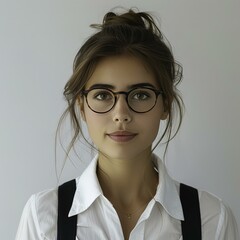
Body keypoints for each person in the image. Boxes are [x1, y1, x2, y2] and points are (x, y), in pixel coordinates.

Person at [15, 8, 239, 240]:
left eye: (140, 95)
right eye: (102, 95)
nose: (121, 114)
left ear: (165, 105)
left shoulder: (211, 220)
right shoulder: (43, 217)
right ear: (82, 106)